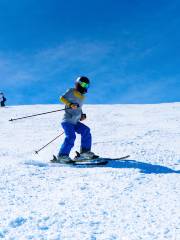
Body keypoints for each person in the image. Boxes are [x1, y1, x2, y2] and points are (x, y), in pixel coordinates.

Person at [57, 76, 98, 163]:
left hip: (75, 122)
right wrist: (70, 104)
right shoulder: (71, 91)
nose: (84, 86)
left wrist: (81, 115)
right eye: (83, 84)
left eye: (86, 85)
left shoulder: (82, 97)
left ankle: (85, 152)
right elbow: (62, 98)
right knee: (71, 137)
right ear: (78, 83)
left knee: (86, 130)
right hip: (67, 121)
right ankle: (62, 156)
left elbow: (79, 108)